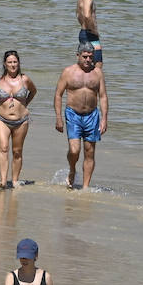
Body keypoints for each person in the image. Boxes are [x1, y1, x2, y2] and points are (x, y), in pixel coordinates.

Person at [0, 50, 37, 189]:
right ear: (5, 64)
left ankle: (15, 180)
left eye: (15, 62)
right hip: (1, 119)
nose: (13, 65)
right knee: (3, 148)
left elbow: (33, 92)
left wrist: (24, 105)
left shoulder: (25, 80)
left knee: (17, 151)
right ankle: (3, 181)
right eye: (10, 62)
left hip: (21, 120)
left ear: (19, 63)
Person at [54, 45, 109, 189]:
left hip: (92, 115)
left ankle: (85, 187)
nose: (88, 59)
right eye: (85, 56)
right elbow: (58, 95)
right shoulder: (68, 72)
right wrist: (58, 117)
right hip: (73, 114)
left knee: (89, 152)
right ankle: (72, 169)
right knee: (74, 150)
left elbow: (102, 96)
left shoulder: (98, 73)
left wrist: (104, 118)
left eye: (91, 57)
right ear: (77, 55)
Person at [76, 0, 103, 65]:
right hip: (90, 34)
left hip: (83, 33)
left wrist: (84, 27)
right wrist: (93, 30)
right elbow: (87, 16)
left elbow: (78, 16)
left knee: (86, 64)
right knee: (98, 64)